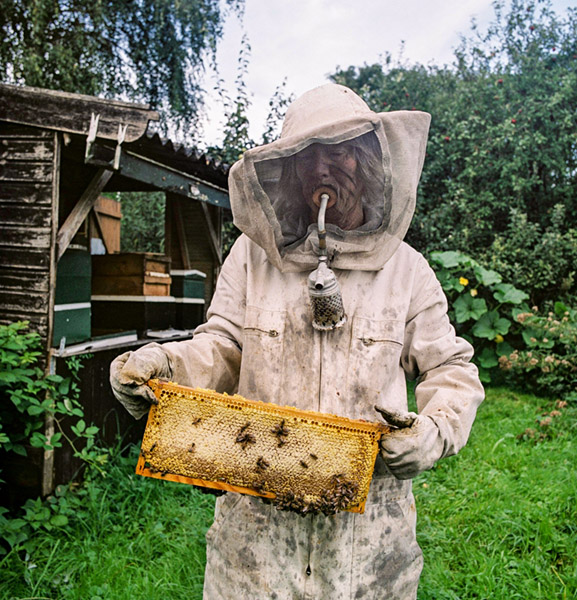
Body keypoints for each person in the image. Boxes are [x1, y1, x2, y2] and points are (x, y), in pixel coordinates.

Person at [110, 83, 485, 599]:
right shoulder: (250, 257)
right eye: (308, 158)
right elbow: (222, 346)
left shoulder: (407, 271)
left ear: (369, 163)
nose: (324, 169)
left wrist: (433, 431)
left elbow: (451, 371)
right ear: (288, 172)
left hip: (368, 546)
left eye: (341, 153)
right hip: (256, 540)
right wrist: (166, 365)